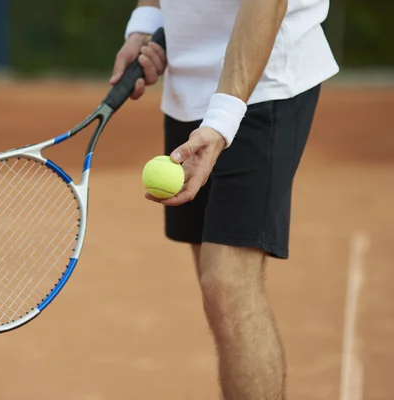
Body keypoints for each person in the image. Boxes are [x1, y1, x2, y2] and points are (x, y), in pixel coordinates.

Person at [110, 0, 339, 398]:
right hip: (188, 81)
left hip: (265, 80)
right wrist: (145, 24)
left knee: (226, 286)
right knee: (214, 287)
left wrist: (221, 121)